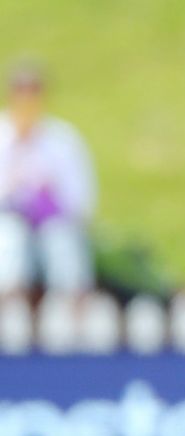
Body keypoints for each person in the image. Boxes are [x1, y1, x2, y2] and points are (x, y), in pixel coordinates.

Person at [0, 60, 97, 294]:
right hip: (7, 224)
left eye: (33, 92)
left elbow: (82, 201)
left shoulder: (63, 140)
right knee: (10, 239)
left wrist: (49, 197)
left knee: (61, 243)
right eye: (22, 91)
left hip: (53, 226)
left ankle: (68, 306)